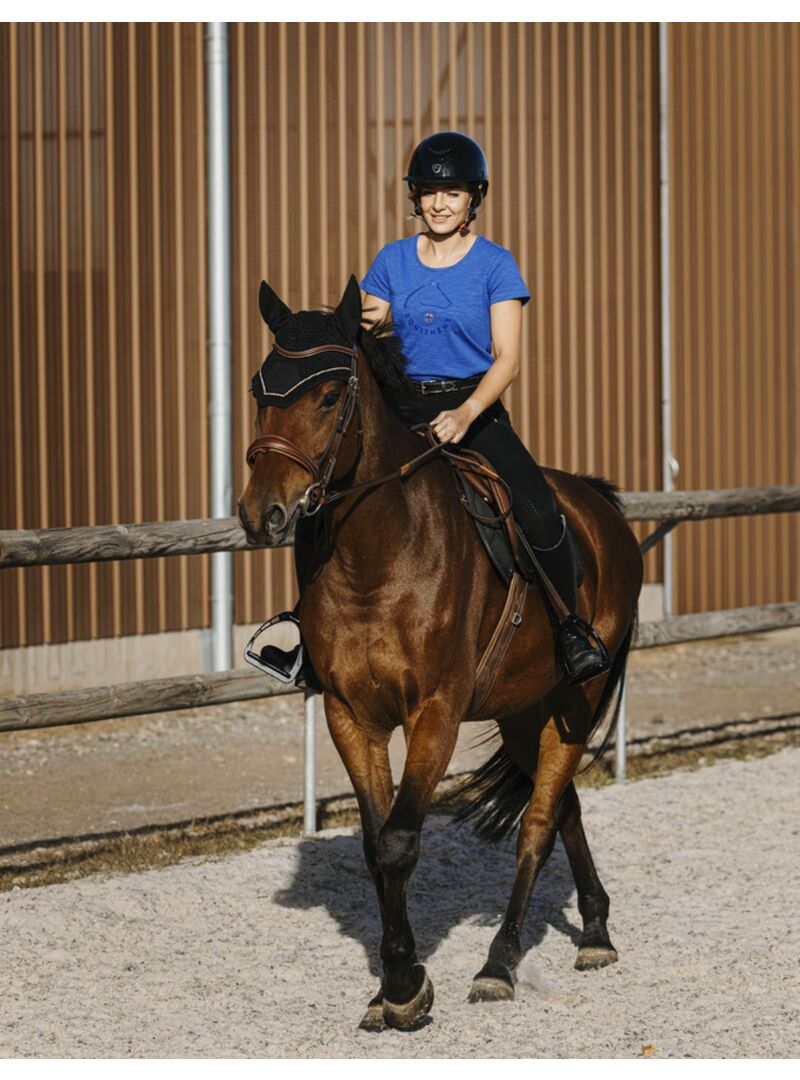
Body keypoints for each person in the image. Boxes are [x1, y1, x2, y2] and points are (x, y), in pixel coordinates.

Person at [246, 131, 610, 689]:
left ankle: (571, 628)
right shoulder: (393, 260)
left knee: (537, 505)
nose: (441, 203)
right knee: (326, 500)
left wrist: (466, 414)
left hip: (475, 405)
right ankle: (306, 633)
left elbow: (507, 359)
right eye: (431, 192)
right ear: (416, 197)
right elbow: (362, 336)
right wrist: (315, 340)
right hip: (404, 405)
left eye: (454, 192)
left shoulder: (495, 265)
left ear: (473, 199)